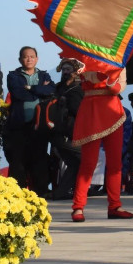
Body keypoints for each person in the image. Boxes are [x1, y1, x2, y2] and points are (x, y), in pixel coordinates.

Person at [70, 67, 133, 222]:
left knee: (115, 163)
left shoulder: (118, 64)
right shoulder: (86, 61)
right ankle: (78, 206)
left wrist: (109, 78)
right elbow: (83, 80)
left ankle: (115, 205)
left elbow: (118, 88)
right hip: (91, 111)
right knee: (89, 163)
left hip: (113, 112)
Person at [4, 46, 54, 195]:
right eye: (26, 57)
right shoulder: (13, 76)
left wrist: (29, 87)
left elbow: (50, 91)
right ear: (20, 59)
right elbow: (18, 94)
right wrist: (38, 90)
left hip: (39, 123)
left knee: (39, 157)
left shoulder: (44, 75)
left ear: (37, 59)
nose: (29, 59)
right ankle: (17, 191)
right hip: (19, 123)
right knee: (18, 158)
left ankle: (41, 191)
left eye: (32, 56)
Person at [48, 58, 84, 200]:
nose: (65, 72)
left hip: (58, 133)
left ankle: (61, 192)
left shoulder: (58, 88)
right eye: (64, 69)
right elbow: (78, 111)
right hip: (66, 133)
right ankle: (80, 191)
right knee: (84, 158)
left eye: (68, 69)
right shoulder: (75, 90)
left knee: (75, 164)